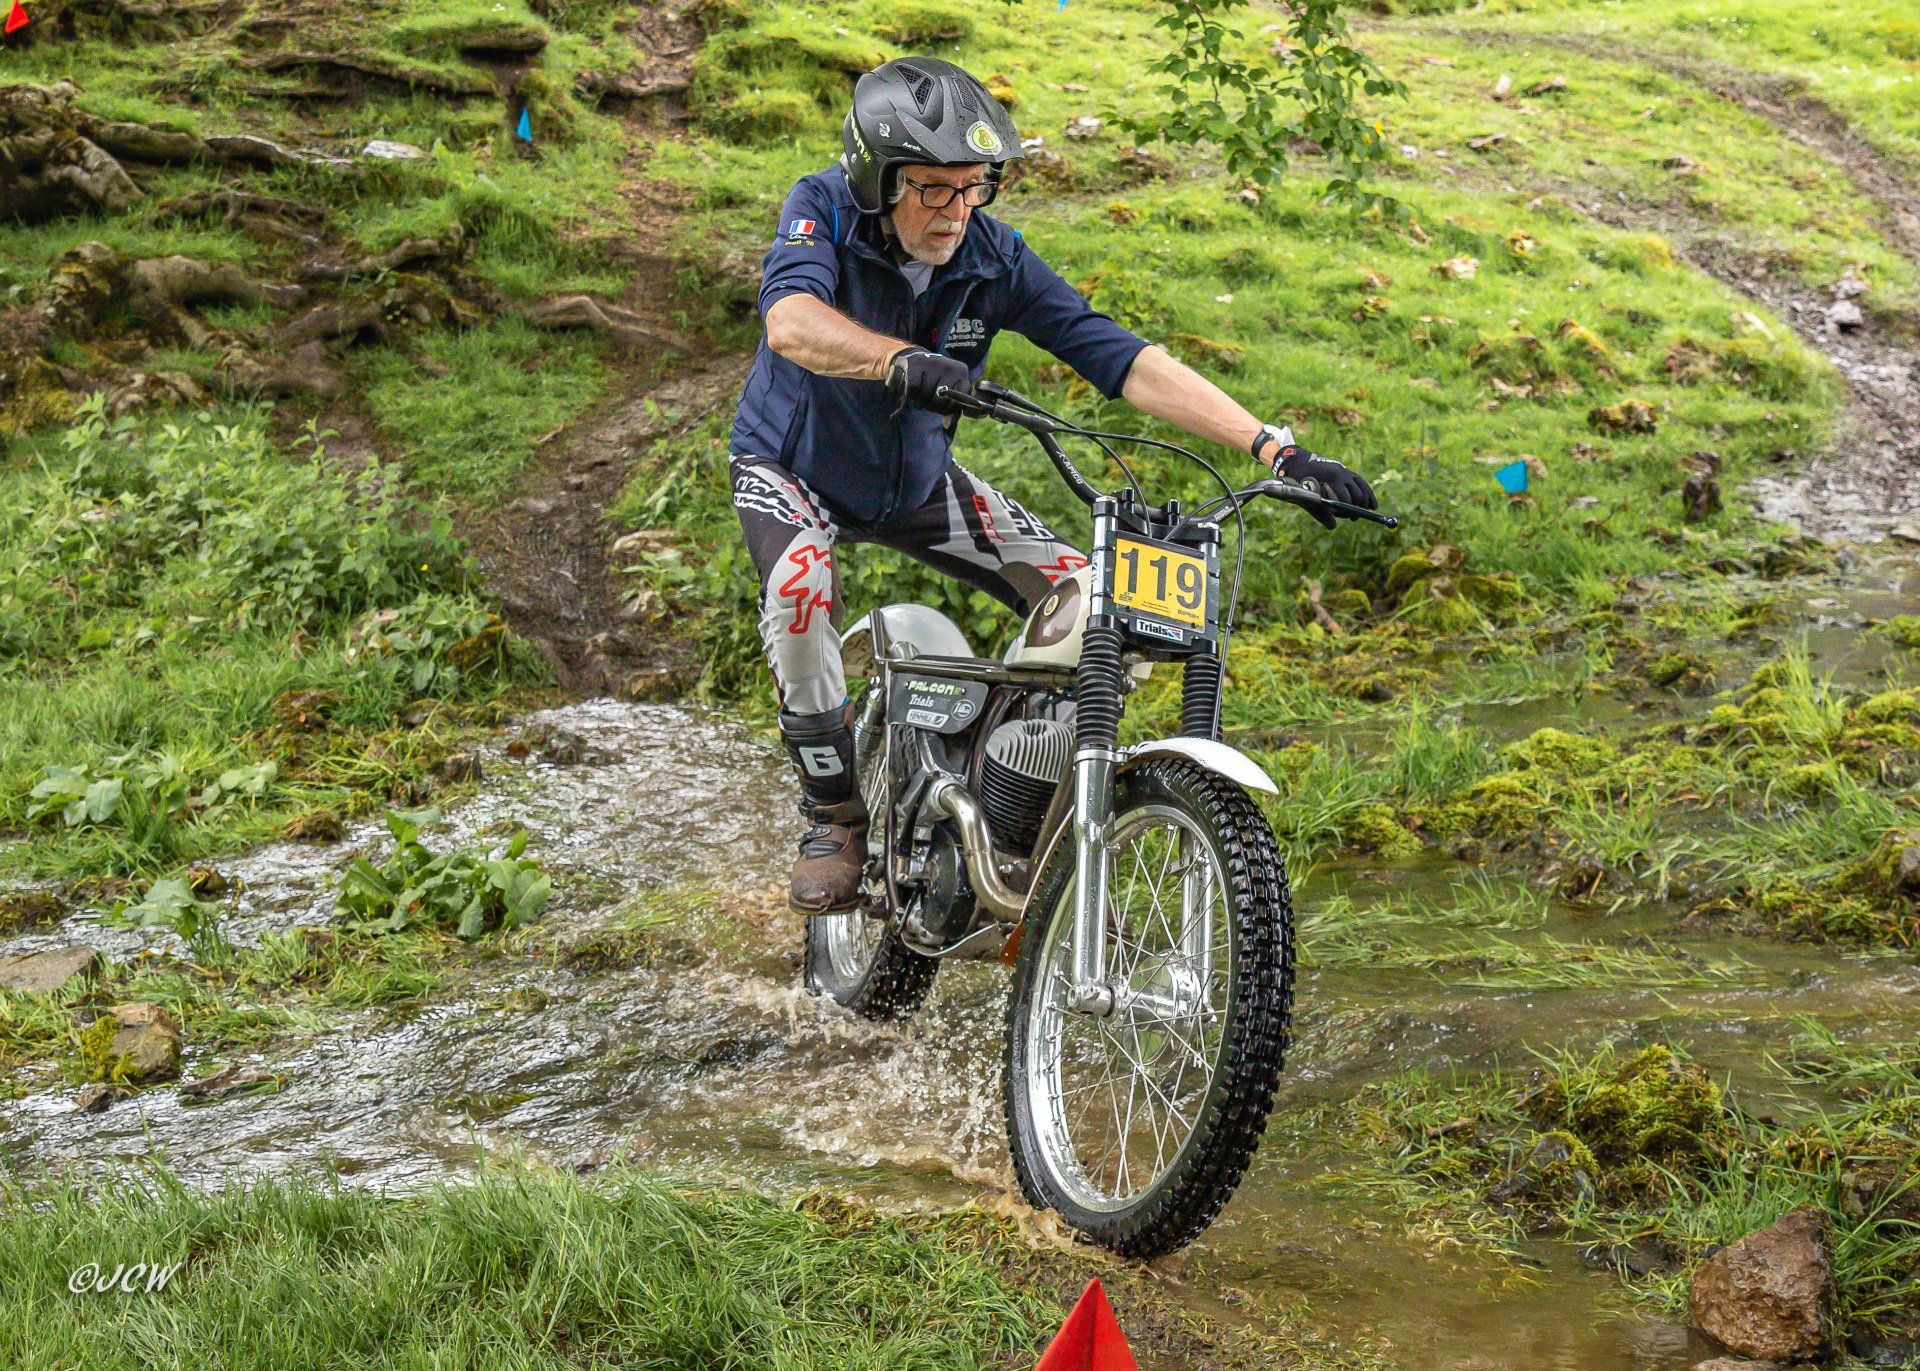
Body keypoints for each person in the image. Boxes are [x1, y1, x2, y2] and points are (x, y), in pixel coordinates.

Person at [732, 56, 1375, 916]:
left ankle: (1004, 787)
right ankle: (836, 813)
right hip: (794, 465)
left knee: (1100, 603)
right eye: (933, 190)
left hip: (918, 481)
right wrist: (898, 359)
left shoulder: (992, 254)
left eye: (974, 189)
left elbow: (1120, 356)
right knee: (800, 585)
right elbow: (790, 322)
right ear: (875, 176)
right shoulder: (822, 209)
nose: (957, 212)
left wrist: (1272, 449)